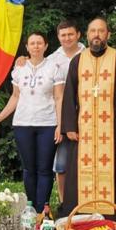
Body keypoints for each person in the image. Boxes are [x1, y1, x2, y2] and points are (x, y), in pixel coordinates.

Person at [58, 18, 116, 225]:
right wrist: (69, 126)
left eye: (101, 31)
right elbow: (69, 95)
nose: (97, 35)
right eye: (93, 31)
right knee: (78, 171)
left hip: (114, 127)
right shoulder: (77, 61)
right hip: (83, 129)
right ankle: (78, 216)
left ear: (108, 34)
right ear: (87, 34)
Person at [0, 32, 65, 212]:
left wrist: (60, 126)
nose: (36, 46)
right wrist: (0, 116)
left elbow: (59, 97)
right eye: (32, 43)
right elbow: (16, 96)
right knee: (29, 168)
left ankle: (43, 209)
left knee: (45, 169)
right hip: (23, 123)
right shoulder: (19, 69)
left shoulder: (54, 67)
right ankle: (31, 208)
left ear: (46, 46)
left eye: (40, 43)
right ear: (27, 47)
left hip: (48, 123)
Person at [45, 20, 84, 203]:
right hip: (63, 114)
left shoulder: (89, 54)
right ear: (58, 37)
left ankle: (86, 200)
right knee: (62, 163)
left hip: (88, 112)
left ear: (78, 35)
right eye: (63, 35)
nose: (67, 38)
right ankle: (64, 202)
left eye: (70, 34)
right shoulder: (52, 59)